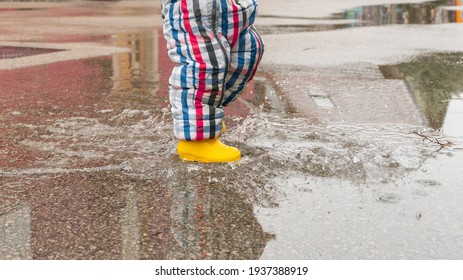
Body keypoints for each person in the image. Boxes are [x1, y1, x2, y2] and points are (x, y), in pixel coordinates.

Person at [161, 0, 264, 163]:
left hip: (234, 8)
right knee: (205, 67)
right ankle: (196, 140)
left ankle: (205, 116)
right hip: (197, 9)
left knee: (248, 54)